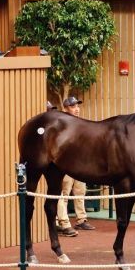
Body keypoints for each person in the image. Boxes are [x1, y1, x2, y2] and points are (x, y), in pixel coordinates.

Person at [56, 96, 96, 236]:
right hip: (66, 165)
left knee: (80, 191)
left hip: (80, 164)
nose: (77, 109)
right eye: (73, 107)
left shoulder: (81, 123)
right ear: (65, 109)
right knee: (64, 193)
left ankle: (81, 219)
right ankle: (62, 222)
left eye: (77, 106)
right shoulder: (61, 124)